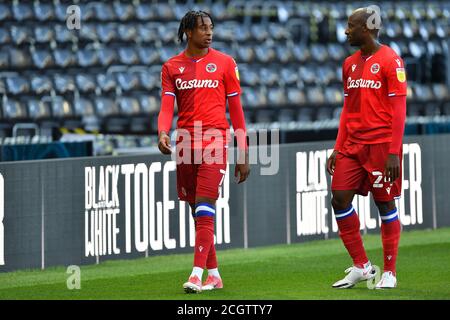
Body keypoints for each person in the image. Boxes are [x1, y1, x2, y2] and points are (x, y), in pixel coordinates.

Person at [157, 10, 250, 293]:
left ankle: (196, 275)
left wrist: (243, 151)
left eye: (211, 27)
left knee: (206, 207)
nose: (209, 33)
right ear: (188, 32)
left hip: (215, 143)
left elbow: (236, 111)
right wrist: (162, 131)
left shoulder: (225, 63)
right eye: (202, 28)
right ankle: (214, 275)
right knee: (197, 212)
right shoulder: (171, 67)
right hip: (185, 144)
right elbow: (166, 106)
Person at [327, 7, 407, 289]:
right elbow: (348, 108)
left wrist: (394, 152)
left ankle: (389, 271)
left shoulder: (391, 61)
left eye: (351, 25)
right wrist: (338, 146)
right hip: (352, 145)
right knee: (339, 198)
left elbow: (399, 110)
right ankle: (362, 266)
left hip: (381, 146)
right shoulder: (349, 63)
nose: (346, 31)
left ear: (367, 28)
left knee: (384, 203)